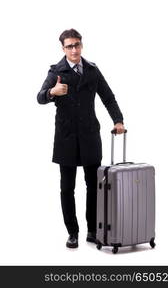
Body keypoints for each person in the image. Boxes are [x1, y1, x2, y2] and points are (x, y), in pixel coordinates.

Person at [37, 29, 125, 248]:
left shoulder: (92, 71)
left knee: (93, 186)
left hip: (89, 136)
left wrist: (118, 121)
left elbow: (108, 96)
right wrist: (52, 93)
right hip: (66, 138)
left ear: (81, 45)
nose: (74, 49)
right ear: (63, 48)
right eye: (69, 46)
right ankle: (73, 233)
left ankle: (93, 230)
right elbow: (39, 97)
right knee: (67, 187)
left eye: (77, 45)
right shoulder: (56, 71)